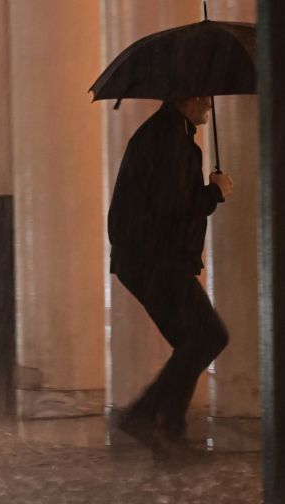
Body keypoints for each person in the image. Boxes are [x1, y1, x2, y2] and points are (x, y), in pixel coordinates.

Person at [108, 96, 234, 457]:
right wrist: (216, 191)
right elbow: (175, 206)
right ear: (187, 98)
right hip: (155, 259)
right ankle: (143, 416)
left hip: (149, 258)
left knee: (194, 343)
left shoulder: (168, 134)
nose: (210, 103)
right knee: (209, 336)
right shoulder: (168, 139)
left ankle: (170, 431)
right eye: (204, 96)